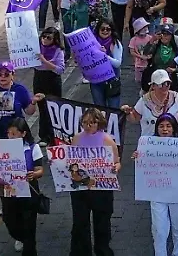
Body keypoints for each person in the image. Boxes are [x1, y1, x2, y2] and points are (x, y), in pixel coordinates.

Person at [133, 113, 178, 256]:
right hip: (157, 191)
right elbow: (144, 167)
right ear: (157, 128)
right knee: (159, 228)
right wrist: (138, 157)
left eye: (168, 126)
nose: (165, 129)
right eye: (161, 126)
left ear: (174, 128)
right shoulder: (149, 145)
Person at [70, 108, 119, 256]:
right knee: (80, 222)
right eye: (85, 122)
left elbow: (117, 162)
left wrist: (116, 168)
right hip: (81, 188)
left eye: (92, 122)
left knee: (102, 223)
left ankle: (102, 251)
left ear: (99, 123)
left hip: (101, 189)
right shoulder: (76, 138)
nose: (88, 125)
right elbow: (72, 161)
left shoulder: (108, 140)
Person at [0, 118, 45, 255]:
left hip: (29, 192)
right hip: (9, 193)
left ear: (23, 134)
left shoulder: (33, 148)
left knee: (29, 226)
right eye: (8, 133)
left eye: (13, 134)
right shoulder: (1, 148)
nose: (10, 137)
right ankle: (21, 238)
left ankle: (29, 247)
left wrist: (34, 174)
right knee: (9, 220)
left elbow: (40, 169)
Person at [0, 61, 37, 137]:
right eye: (0, 74)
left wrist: (33, 102)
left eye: (6, 74)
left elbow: (29, 112)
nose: (3, 77)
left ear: (12, 75)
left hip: (15, 132)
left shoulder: (20, 89)